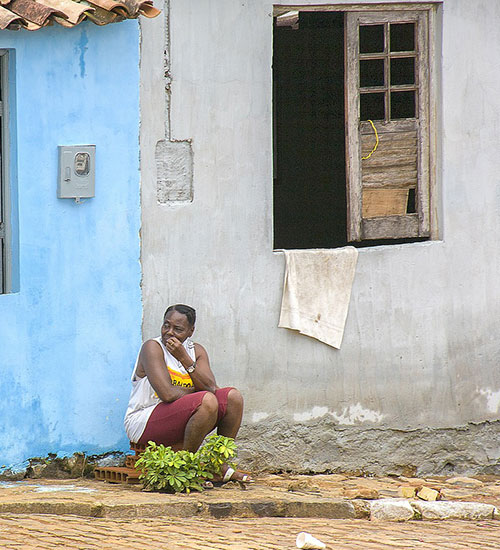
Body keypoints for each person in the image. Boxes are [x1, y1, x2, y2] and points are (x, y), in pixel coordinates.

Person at [124, 304, 251, 483]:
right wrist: (197, 392)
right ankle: (186, 467)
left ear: (191, 331)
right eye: (166, 325)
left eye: (178, 329)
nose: (169, 332)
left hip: (178, 415)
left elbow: (211, 387)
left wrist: (183, 357)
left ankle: (219, 464)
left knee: (233, 397)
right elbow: (167, 394)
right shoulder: (152, 347)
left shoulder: (195, 351)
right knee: (206, 400)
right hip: (143, 419)